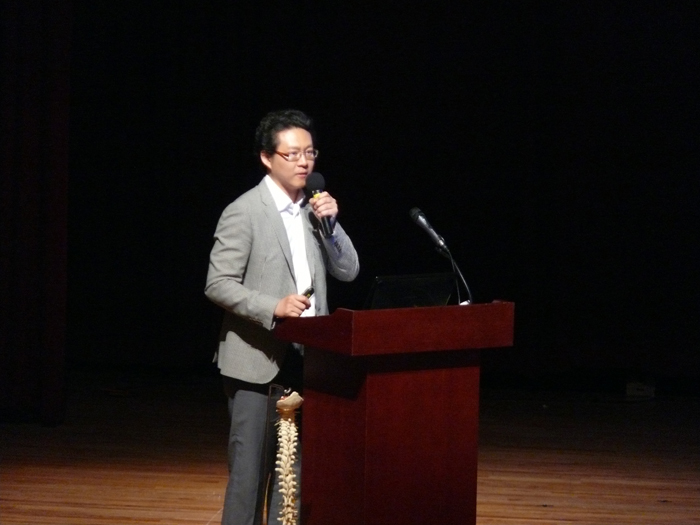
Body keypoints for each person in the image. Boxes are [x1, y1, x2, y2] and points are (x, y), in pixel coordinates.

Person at [204, 109, 360, 525]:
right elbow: (218, 283)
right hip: (257, 360)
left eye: (310, 153)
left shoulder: (314, 209)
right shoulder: (244, 211)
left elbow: (348, 271)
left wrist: (331, 224)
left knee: (294, 476)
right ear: (266, 157)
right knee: (250, 475)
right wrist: (272, 306)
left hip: (310, 359)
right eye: (292, 154)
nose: (304, 162)